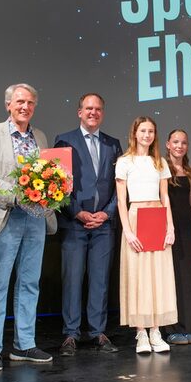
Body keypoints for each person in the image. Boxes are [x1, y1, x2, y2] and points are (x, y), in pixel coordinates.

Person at [0, 83, 57, 372]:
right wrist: (16, 194)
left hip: (35, 217)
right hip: (6, 215)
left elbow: (49, 175)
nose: (25, 106)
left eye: (30, 102)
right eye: (20, 101)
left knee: (30, 282)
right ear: (8, 104)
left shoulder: (41, 136)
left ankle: (24, 344)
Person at [54, 93, 122, 356]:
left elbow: (120, 186)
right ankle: (70, 334)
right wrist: (77, 212)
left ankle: (97, 332)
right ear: (79, 112)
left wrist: (107, 213)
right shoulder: (64, 140)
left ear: (102, 113)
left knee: (100, 280)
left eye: (98, 109)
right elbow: (56, 184)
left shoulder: (113, 144)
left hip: (104, 224)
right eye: (88, 108)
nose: (93, 112)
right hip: (74, 223)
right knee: (72, 279)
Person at [115, 117, 177, 353]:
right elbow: (121, 200)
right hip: (135, 216)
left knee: (157, 276)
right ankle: (141, 333)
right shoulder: (124, 162)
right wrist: (128, 231)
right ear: (135, 133)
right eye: (143, 131)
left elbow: (166, 197)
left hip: (157, 217)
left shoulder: (160, 162)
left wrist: (170, 226)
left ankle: (156, 331)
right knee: (138, 275)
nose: (147, 135)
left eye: (151, 131)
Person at [164, 129, 191, 344]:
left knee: (188, 278)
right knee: (172, 278)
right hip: (170, 229)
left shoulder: (189, 170)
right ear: (168, 144)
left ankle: (189, 327)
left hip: (189, 228)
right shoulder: (161, 169)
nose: (179, 146)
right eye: (175, 142)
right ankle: (173, 328)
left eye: (183, 142)